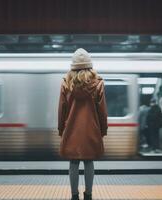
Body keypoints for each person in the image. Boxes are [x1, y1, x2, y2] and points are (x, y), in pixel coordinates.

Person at [58, 48, 108, 200]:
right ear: (89, 65)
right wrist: (102, 130)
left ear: (73, 66)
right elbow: (102, 111)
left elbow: (62, 109)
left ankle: (74, 196)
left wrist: (62, 129)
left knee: (73, 162)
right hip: (91, 129)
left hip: (71, 129)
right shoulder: (98, 83)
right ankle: (89, 195)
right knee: (88, 162)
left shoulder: (66, 83)